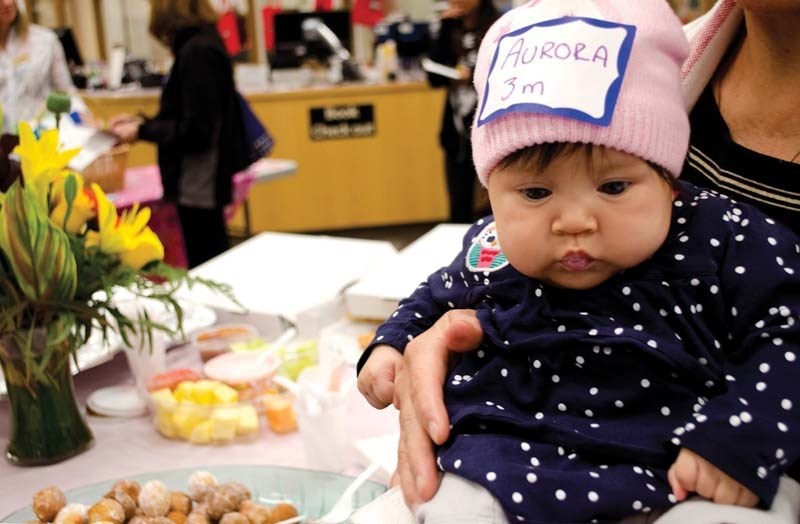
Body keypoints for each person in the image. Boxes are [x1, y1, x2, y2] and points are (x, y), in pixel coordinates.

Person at [358, 0, 800, 522]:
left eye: (613, 187)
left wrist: (741, 434)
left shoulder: (725, 234)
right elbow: (435, 296)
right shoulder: (494, 245)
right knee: (443, 505)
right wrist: (393, 342)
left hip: (682, 456)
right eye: (535, 192)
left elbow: (787, 333)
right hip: (515, 450)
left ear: (670, 179)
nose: (574, 221)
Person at [109, 0, 248, 268]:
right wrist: (141, 123)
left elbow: (196, 130)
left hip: (199, 180)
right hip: (199, 178)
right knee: (208, 259)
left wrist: (142, 130)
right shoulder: (199, 45)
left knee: (208, 262)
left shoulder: (197, 52)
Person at [425, 0, 498, 223]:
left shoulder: (498, 26)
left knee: (496, 202)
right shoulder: (449, 29)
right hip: (456, 131)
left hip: (491, 127)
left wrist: (474, 73)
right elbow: (434, 78)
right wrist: (446, 28)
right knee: (458, 204)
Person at [0, 0, 87, 133]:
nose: (7, 3)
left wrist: (85, 123)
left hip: (41, 138)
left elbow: (66, 92)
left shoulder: (44, 41)